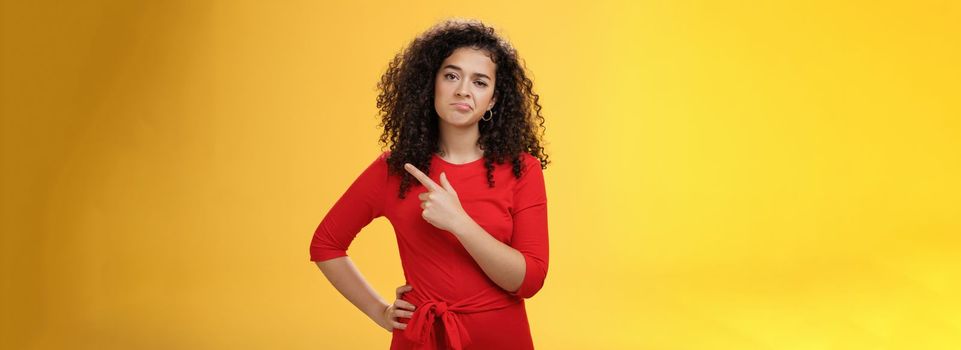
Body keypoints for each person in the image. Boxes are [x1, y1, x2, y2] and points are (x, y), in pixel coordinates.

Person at [309, 18, 550, 350]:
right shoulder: (393, 170)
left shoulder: (523, 169)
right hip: (421, 338)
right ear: (431, 84)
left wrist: (459, 223)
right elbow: (326, 245)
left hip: (500, 338)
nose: (463, 90)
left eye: (480, 82)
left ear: (493, 100)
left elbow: (529, 281)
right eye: (451, 75)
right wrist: (380, 311)